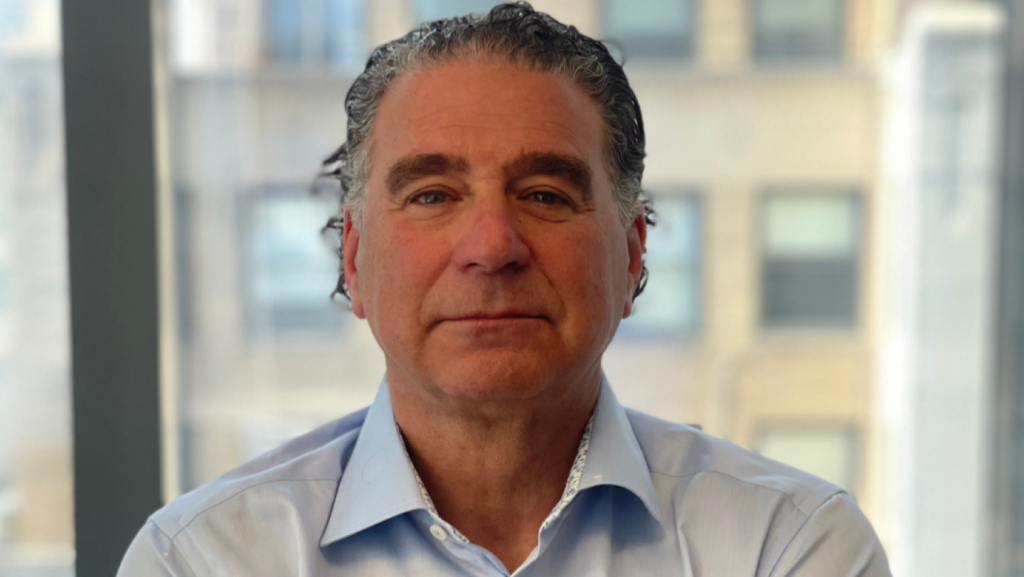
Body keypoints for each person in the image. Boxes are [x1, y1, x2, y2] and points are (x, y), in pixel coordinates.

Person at [118, 3, 891, 576]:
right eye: (431, 195)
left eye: (547, 194)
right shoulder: (204, 558)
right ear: (354, 261)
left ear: (631, 256)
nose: (492, 247)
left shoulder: (789, 544)